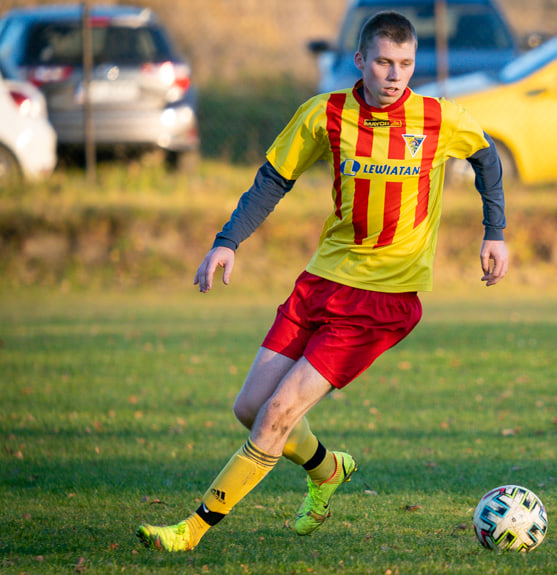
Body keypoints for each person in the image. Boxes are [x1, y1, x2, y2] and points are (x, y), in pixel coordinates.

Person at [136, 10, 508, 552]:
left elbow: (486, 156)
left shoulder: (438, 118)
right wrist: (226, 241)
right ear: (360, 61)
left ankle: (190, 532)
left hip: (382, 301)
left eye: (405, 63)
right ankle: (327, 468)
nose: (394, 74)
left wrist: (494, 231)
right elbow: (273, 179)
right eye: (383, 61)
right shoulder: (325, 114)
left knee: (278, 415)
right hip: (319, 283)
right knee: (249, 409)